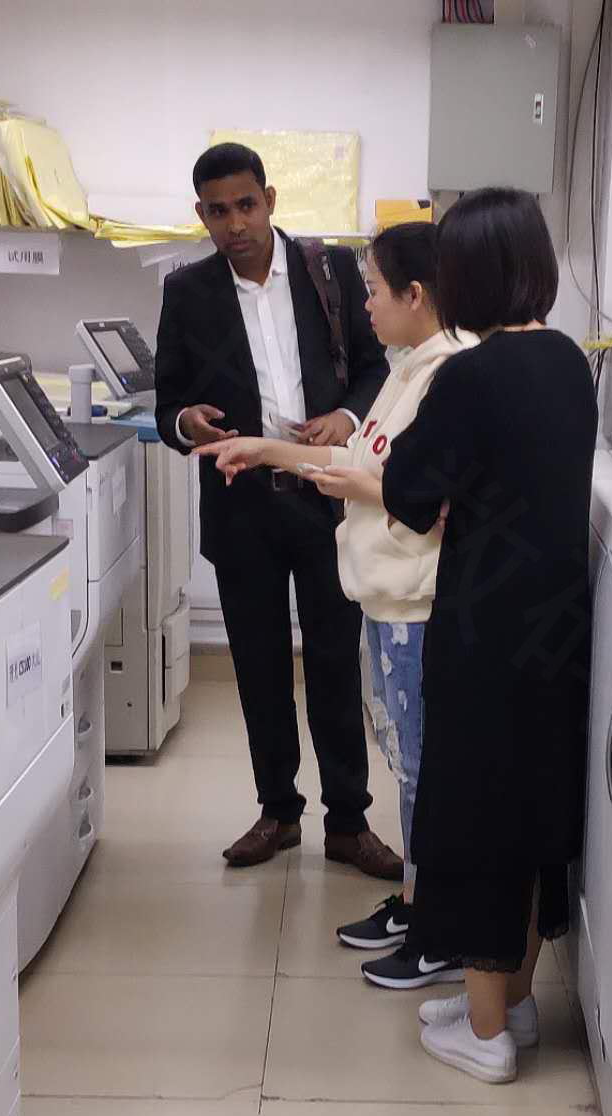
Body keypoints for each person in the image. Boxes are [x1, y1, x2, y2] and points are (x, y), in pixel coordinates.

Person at [206, 223, 476, 988]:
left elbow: (430, 496)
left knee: (423, 773)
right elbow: (361, 458)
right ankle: (418, 901)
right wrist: (269, 450)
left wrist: (357, 485)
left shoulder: (450, 374)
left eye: (375, 290)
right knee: (409, 767)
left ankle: (436, 925)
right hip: (386, 601)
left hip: (417, 605)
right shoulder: (405, 369)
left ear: (414, 295)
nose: (365, 305)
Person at [379, 187, 597, 1084]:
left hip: (484, 631)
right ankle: (514, 1004)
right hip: (558, 627)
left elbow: (407, 493)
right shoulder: (570, 363)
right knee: (534, 813)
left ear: (465, 276)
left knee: (473, 819)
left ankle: (483, 1034)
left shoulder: (469, 376)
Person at [155, 142, 402, 879]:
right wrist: (186, 423)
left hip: (326, 498)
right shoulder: (187, 291)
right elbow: (168, 401)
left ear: (269, 199)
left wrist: (346, 419)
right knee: (259, 667)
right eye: (217, 212)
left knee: (334, 664)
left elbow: (373, 369)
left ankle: (349, 822)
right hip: (241, 507)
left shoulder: (330, 271)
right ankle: (278, 812)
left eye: (246, 205)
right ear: (201, 215)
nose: (234, 224)